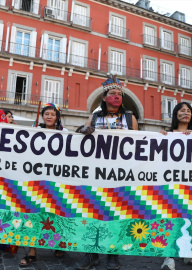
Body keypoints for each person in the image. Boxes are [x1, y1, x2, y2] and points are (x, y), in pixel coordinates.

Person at [77, 74, 138, 270]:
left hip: (121, 175)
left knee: (117, 214)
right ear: (104, 97)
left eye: (120, 94)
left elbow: (140, 145)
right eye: (113, 93)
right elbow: (81, 133)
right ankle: (91, 253)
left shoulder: (130, 118)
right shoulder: (95, 117)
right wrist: (82, 130)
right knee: (93, 212)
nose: (117, 96)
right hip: (96, 174)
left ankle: (113, 254)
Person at [19, 103, 67, 267]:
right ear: (42, 116)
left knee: (57, 214)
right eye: (46, 113)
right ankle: (32, 252)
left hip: (57, 182)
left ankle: (58, 245)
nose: (49, 117)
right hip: (36, 181)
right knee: (34, 214)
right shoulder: (34, 131)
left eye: (52, 114)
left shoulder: (65, 133)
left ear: (57, 117)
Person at [160, 102, 192, 270]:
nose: (185, 113)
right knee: (170, 219)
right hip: (170, 184)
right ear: (176, 115)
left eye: (188, 110)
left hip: (191, 184)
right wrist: (160, 138)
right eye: (182, 110)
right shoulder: (166, 134)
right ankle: (169, 257)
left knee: (188, 219)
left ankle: (187, 250)